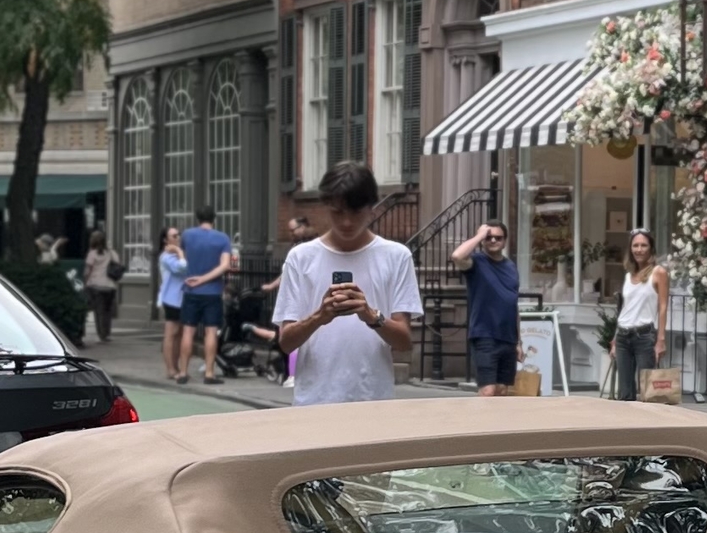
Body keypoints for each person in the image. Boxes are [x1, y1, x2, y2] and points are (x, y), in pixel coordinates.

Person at [270, 162, 422, 404]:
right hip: (314, 401)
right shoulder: (301, 258)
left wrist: (371, 315)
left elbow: (404, 342)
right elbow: (286, 343)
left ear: (371, 209)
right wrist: (319, 316)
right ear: (326, 207)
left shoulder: (396, 256)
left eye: (356, 212)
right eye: (338, 212)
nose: (347, 222)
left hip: (373, 400)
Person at [451, 219, 522, 397]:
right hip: (485, 336)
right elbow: (457, 256)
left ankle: (499, 425)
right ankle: (480, 424)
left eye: (498, 238)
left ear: (504, 241)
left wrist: (519, 342)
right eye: (488, 237)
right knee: (488, 391)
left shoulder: (511, 267)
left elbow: (513, 305)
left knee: (502, 391)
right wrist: (479, 234)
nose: (493, 241)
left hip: (508, 337)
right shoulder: (476, 262)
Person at [178, 205, 239, 383]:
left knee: (187, 331)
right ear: (214, 218)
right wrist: (204, 279)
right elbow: (225, 265)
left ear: (197, 217)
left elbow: (181, 255)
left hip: (190, 290)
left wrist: (191, 276)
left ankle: (182, 373)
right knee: (211, 332)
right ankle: (209, 373)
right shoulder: (222, 238)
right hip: (212, 292)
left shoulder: (188, 235)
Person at [612, 227, 669, 399]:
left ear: (651, 248)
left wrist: (660, 340)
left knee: (648, 393)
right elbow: (626, 308)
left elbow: (663, 307)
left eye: (643, 245)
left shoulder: (659, 272)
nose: (639, 249)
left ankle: (647, 425)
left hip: (644, 336)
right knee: (625, 393)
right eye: (635, 245)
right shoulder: (629, 275)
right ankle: (627, 425)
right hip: (623, 336)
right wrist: (615, 339)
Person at [155, 225, 188, 378]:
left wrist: (180, 253)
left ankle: (176, 365)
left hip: (182, 298)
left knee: (180, 334)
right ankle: (170, 369)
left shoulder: (176, 255)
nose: (178, 238)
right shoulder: (166, 257)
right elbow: (181, 268)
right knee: (171, 333)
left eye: (179, 234)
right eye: (174, 236)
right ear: (165, 240)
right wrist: (180, 252)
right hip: (171, 298)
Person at [80, 226, 122, 347]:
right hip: (110, 286)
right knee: (107, 311)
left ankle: (100, 335)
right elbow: (117, 261)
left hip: (95, 285)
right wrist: (109, 248)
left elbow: (87, 271)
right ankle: (106, 334)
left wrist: (85, 281)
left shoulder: (92, 254)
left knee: (99, 311)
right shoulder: (109, 253)